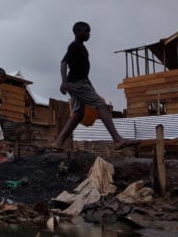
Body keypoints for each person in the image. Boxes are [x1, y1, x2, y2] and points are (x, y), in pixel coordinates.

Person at [49, 22, 139, 151]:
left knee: (78, 113)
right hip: (78, 84)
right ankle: (117, 140)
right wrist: (64, 82)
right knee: (100, 106)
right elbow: (64, 63)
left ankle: (58, 142)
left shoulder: (81, 47)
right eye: (86, 32)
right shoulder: (74, 46)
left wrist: (88, 86)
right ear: (78, 32)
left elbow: (82, 70)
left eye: (89, 32)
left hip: (80, 82)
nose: (88, 34)